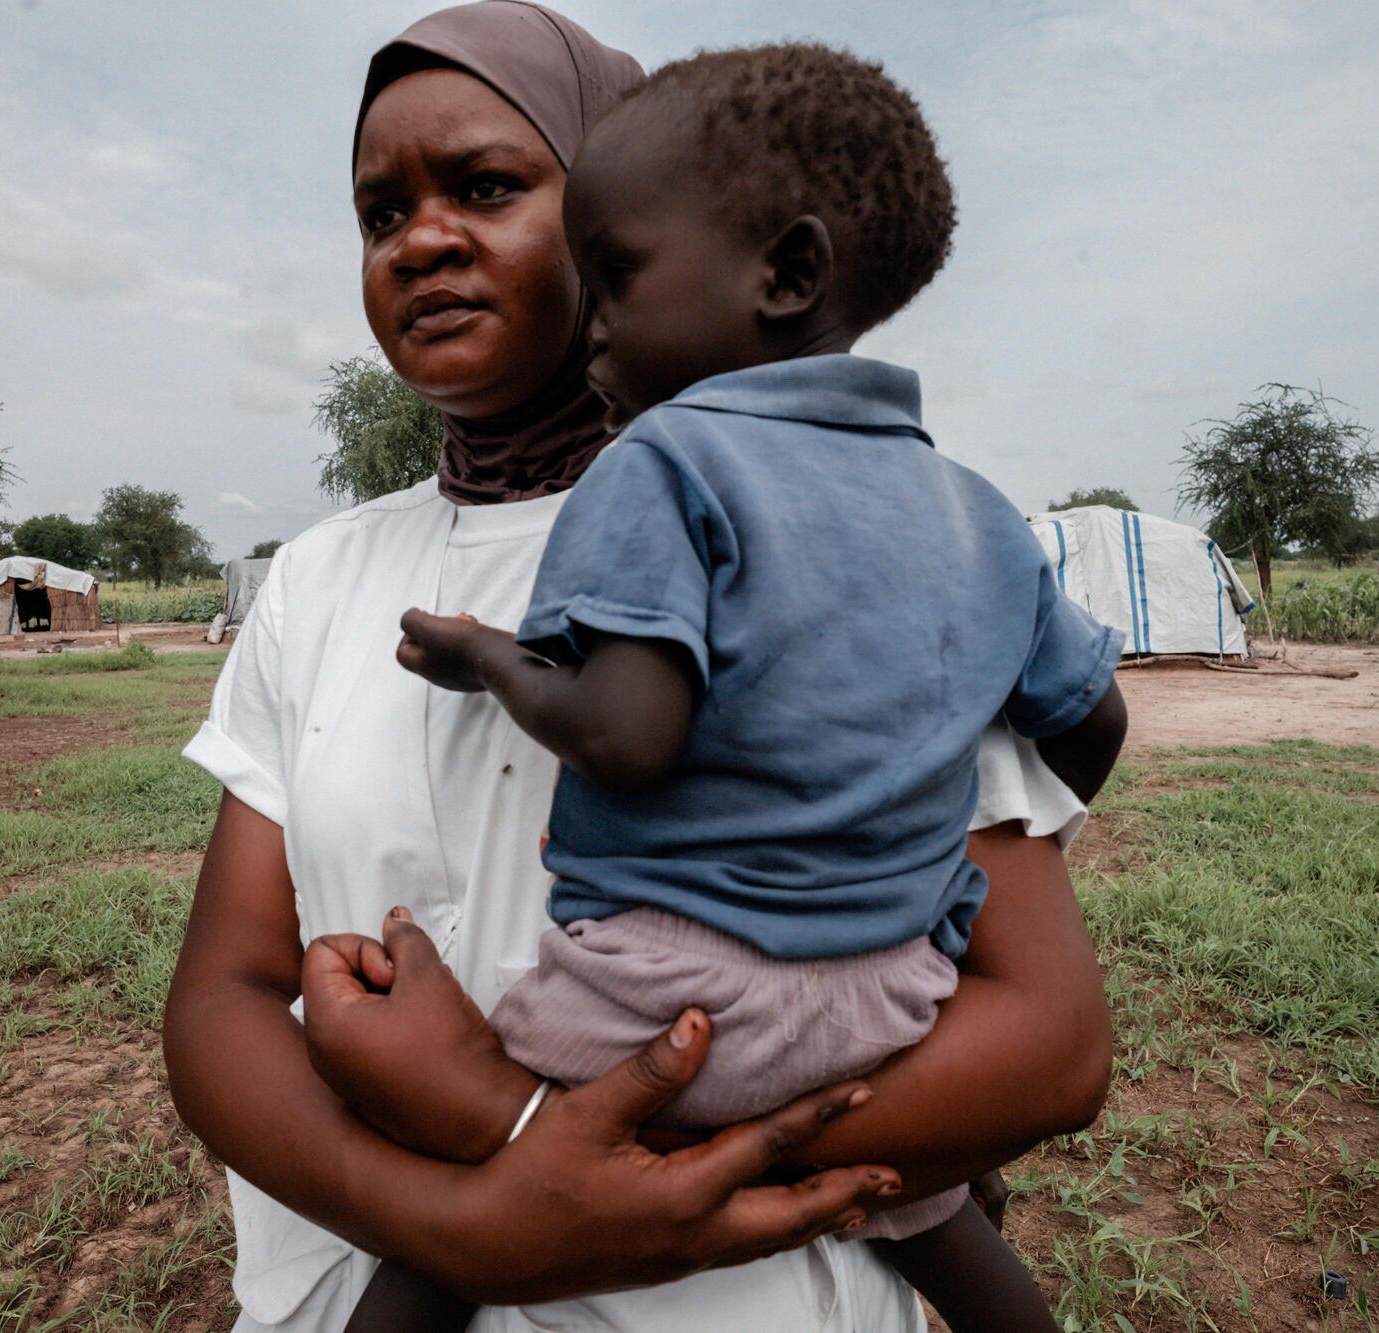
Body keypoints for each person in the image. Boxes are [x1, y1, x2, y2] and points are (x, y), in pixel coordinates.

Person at [164, 6, 1113, 1330]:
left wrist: (498, 1124)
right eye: (381, 214)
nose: (424, 238)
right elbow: (222, 995)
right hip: (338, 1275)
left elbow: (1049, 1049)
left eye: (489, 187)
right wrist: (457, 1223)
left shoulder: (834, 532)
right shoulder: (321, 579)